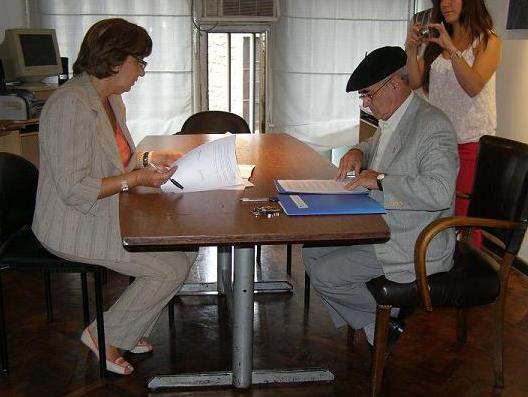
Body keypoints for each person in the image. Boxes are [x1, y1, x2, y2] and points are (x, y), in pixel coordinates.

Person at [32, 18, 197, 375]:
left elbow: (119, 159)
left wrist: (151, 161)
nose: (141, 71)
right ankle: (103, 335)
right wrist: (137, 178)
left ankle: (128, 325)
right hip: (72, 222)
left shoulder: (109, 100)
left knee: (185, 247)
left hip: (106, 210)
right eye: (140, 61)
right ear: (114, 59)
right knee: (168, 268)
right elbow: (75, 188)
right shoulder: (70, 105)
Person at [303, 46, 458, 354]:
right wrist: (358, 151)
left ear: (395, 84)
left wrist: (382, 181)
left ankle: (383, 324)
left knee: (326, 275)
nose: (366, 104)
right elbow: (379, 146)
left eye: (368, 94)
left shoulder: (433, 125)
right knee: (312, 252)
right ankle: (382, 324)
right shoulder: (396, 116)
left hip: (412, 238)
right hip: (382, 223)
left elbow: (440, 191)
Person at [405, 0, 501, 226]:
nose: (445, 4)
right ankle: (437, 257)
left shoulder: (488, 40)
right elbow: (415, 81)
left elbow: (473, 86)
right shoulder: (437, 41)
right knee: (436, 209)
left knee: (465, 216)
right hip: (440, 140)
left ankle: (466, 259)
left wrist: (451, 48)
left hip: (471, 140)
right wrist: (411, 50)